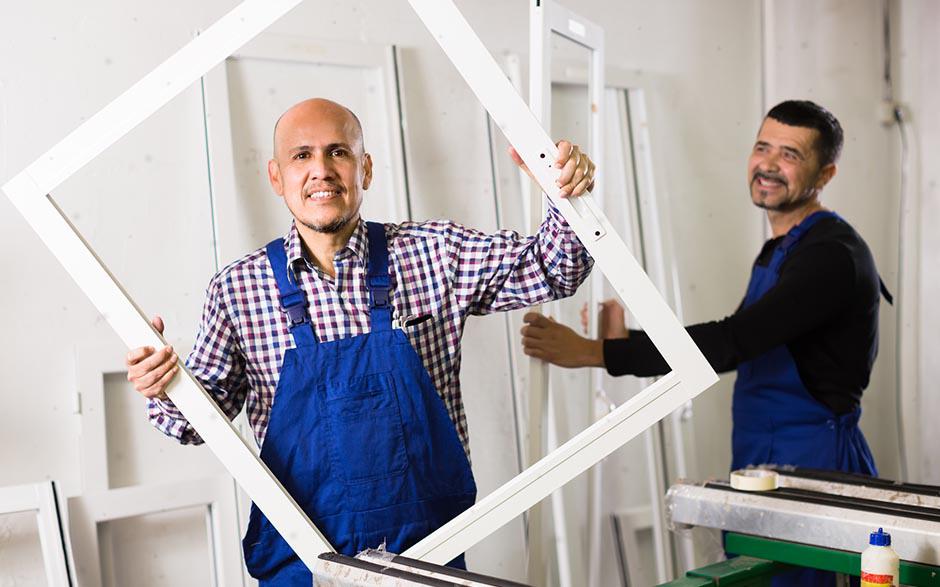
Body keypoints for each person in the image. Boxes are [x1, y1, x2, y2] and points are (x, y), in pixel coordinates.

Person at [125, 98, 595, 585]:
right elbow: (196, 424)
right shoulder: (238, 290)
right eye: (301, 156)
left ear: (365, 168)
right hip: (302, 565)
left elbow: (554, 269)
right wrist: (164, 386)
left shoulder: (432, 254)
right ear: (276, 176)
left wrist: (566, 193)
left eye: (338, 153)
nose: (321, 171)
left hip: (428, 556)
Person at [521, 99, 889, 478]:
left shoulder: (830, 257)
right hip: (765, 455)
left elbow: (734, 340)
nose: (768, 165)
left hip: (816, 464)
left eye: (790, 154)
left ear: (825, 174)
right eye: (762, 148)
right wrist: (625, 340)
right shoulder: (787, 246)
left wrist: (595, 353)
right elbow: (763, 340)